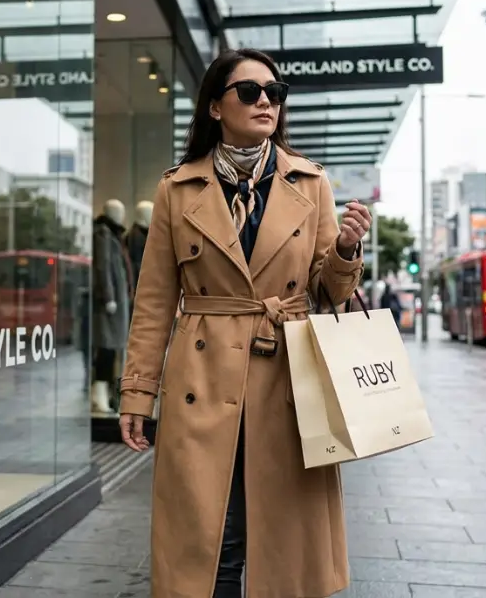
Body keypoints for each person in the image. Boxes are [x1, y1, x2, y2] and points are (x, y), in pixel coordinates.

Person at [118, 48, 370, 598]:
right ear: (215, 107)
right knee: (211, 539)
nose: (266, 103)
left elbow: (329, 292)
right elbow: (154, 302)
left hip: (288, 381)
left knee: (285, 545)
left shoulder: (311, 183)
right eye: (250, 92)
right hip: (202, 381)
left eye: (274, 93)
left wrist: (347, 250)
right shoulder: (176, 189)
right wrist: (137, 392)